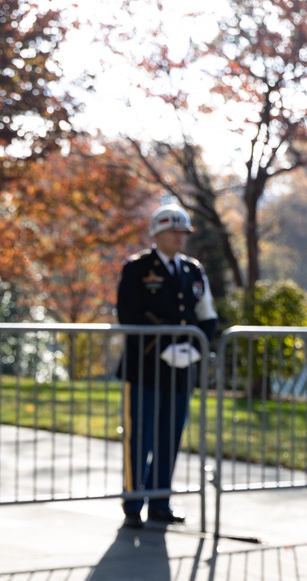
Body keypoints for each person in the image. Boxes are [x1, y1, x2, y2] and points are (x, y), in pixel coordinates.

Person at [116, 203, 217, 528]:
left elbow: (207, 315)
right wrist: (162, 348)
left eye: (183, 232)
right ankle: (133, 506)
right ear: (158, 233)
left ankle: (160, 502)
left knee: (168, 438)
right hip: (145, 367)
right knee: (140, 438)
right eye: (174, 231)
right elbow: (129, 315)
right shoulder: (137, 269)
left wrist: (196, 349)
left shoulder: (192, 270)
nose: (180, 237)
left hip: (181, 370)